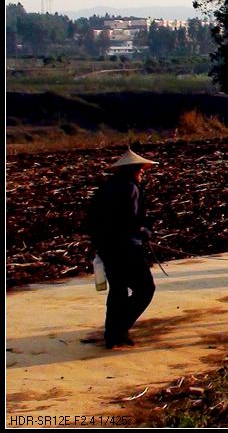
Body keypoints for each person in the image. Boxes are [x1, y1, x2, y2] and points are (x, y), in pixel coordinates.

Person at [88, 149, 158, 349]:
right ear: (134, 170)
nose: (143, 173)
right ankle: (118, 329)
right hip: (126, 247)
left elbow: (93, 218)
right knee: (145, 289)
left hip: (106, 247)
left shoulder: (106, 187)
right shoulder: (130, 188)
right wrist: (145, 232)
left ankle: (113, 334)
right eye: (141, 170)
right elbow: (131, 220)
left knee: (118, 290)